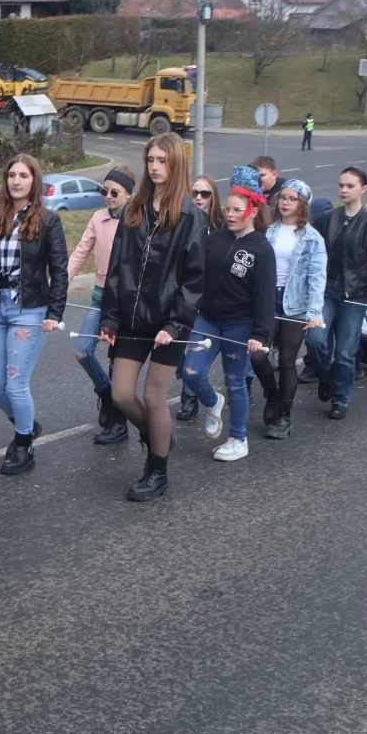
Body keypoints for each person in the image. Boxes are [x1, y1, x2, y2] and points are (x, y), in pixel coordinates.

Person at [99, 132, 206, 501]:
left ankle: (156, 470)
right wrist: (109, 318)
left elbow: (194, 280)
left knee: (155, 397)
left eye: (162, 160)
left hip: (170, 325)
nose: (155, 167)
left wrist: (175, 325)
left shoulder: (192, 216)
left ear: (175, 163)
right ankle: (159, 439)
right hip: (131, 319)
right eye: (151, 160)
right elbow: (117, 268)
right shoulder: (134, 207)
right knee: (122, 393)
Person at [0, 153, 69, 475]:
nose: (16, 181)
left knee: (15, 385)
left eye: (24, 176)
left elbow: (59, 269)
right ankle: (26, 423)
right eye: (12, 175)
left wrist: (55, 311)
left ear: (34, 181)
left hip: (28, 309)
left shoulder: (48, 220)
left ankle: (23, 443)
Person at [182, 167, 276, 461]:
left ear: (253, 210)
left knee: (236, 381)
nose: (230, 214)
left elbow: (265, 296)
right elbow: (195, 276)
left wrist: (260, 334)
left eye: (237, 209)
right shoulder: (216, 239)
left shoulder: (262, 249)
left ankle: (238, 439)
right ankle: (212, 402)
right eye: (228, 209)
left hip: (240, 324)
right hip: (208, 318)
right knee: (190, 371)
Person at [251, 179, 328, 440]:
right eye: (282, 197)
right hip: (268, 300)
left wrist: (315, 313)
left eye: (291, 199)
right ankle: (272, 395)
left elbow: (317, 278)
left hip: (295, 304)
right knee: (258, 356)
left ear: (302, 204)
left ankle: (283, 416)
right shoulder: (268, 230)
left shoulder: (312, 238)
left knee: (286, 361)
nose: (284, 202)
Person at [312, 167, 367, 419]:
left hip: (354, 294)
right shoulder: (328, 218)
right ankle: (326, 376)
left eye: (349, 186)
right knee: (315, 339)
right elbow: (314, 253)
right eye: (341, 185)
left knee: (346, 351)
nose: (343, 190)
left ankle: (340, 399)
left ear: (363, 189)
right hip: (327, 289)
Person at [67, 167, 134, 444]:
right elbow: (80, 252)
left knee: (118, 360)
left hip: (127, 300)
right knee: (83, 351)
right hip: (99, 296)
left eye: (114, 192)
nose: (108, 196)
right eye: (103, 191)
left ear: (129, 194)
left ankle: (119, 423)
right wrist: (59, 285)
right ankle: (106, 394)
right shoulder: (97, 218)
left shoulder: (136, 221)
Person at [176, 174, 226, 422]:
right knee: (171, 347)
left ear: (213, 197)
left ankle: (189, 398)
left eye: (204, 193)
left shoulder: (221, 226)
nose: (198, 198)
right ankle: (188, 386)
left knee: (194, 349)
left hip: (207, 299)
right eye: (194, 192)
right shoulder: (182, 221)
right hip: (182, 293)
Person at [298, 197, 336, 386]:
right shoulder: (309, 237)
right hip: (316, 290)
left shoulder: (330, 236)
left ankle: (348, 366)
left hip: (335, 290)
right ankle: (315, 365)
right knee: (316, 335)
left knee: (341, 336)